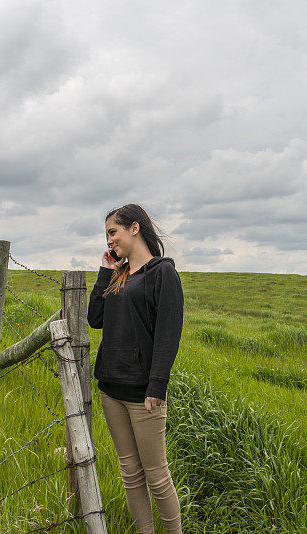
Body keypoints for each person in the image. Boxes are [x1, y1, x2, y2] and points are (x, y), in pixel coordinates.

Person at [87, 204, 183, 534]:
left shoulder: (162, 273)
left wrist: (157, 385)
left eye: (113, 232)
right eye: (107, 235)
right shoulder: (119, 274)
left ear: (135, 228)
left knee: (156, 475)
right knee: (130, 472)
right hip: (110, 389)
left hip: (143, 393)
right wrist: (105, 270)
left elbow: (169, 332)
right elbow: (95, 320)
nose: (109, 240)